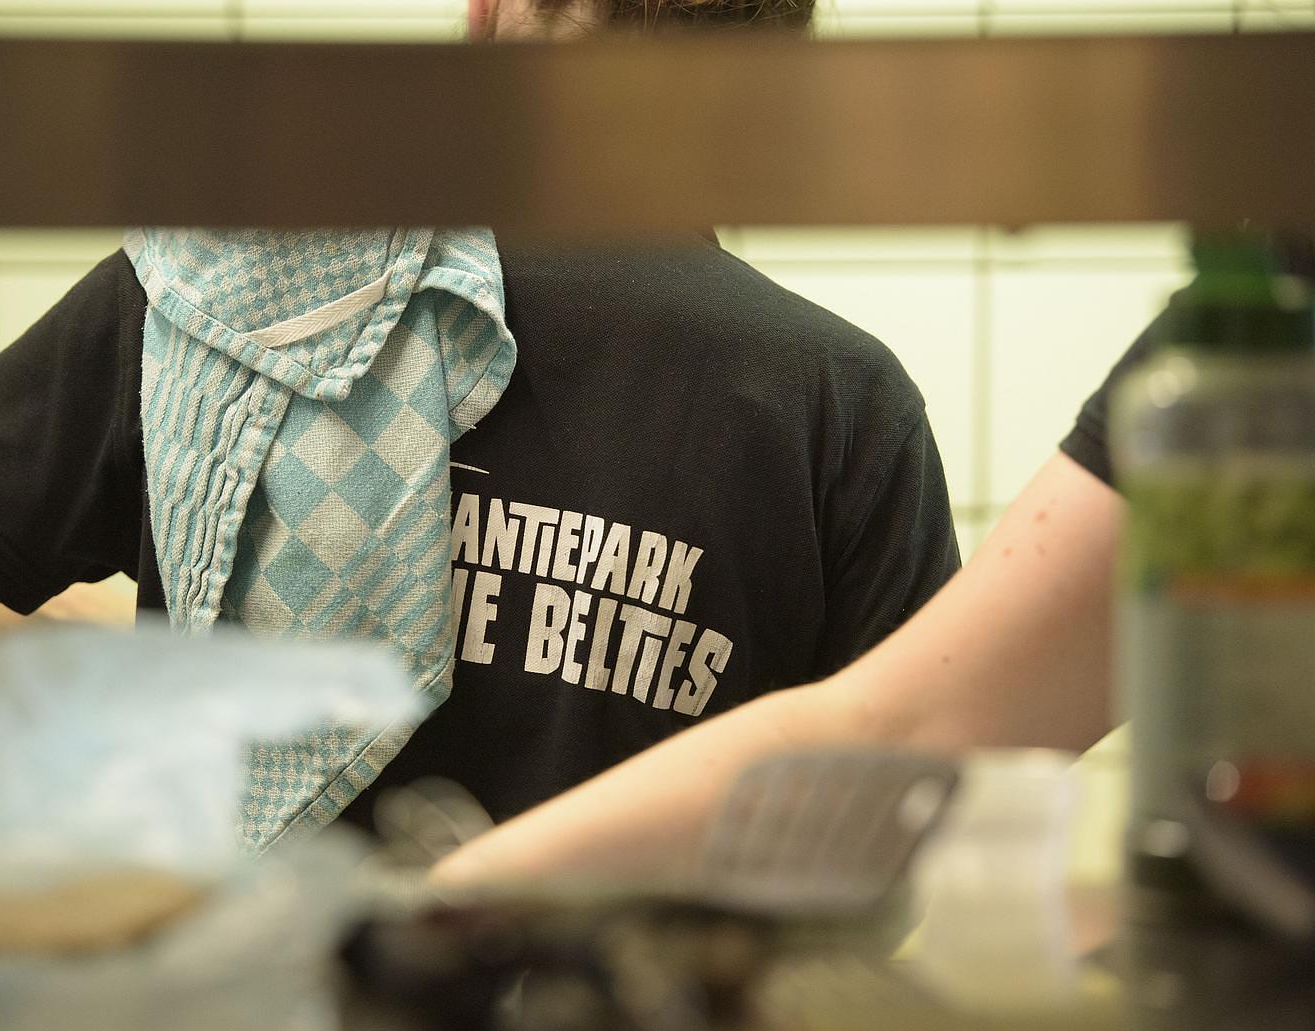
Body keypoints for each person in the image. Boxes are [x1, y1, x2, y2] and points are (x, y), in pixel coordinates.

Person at [0, 0, 959, 838]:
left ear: (488, 15)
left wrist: (32, 636)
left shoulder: (220, 306)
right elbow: (915, 823)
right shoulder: (838, 401)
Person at [428, 232, 1315, 886]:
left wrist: (439, 906)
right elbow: (917, 754)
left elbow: (913, 732)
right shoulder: (840, 393)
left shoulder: (371, 350)